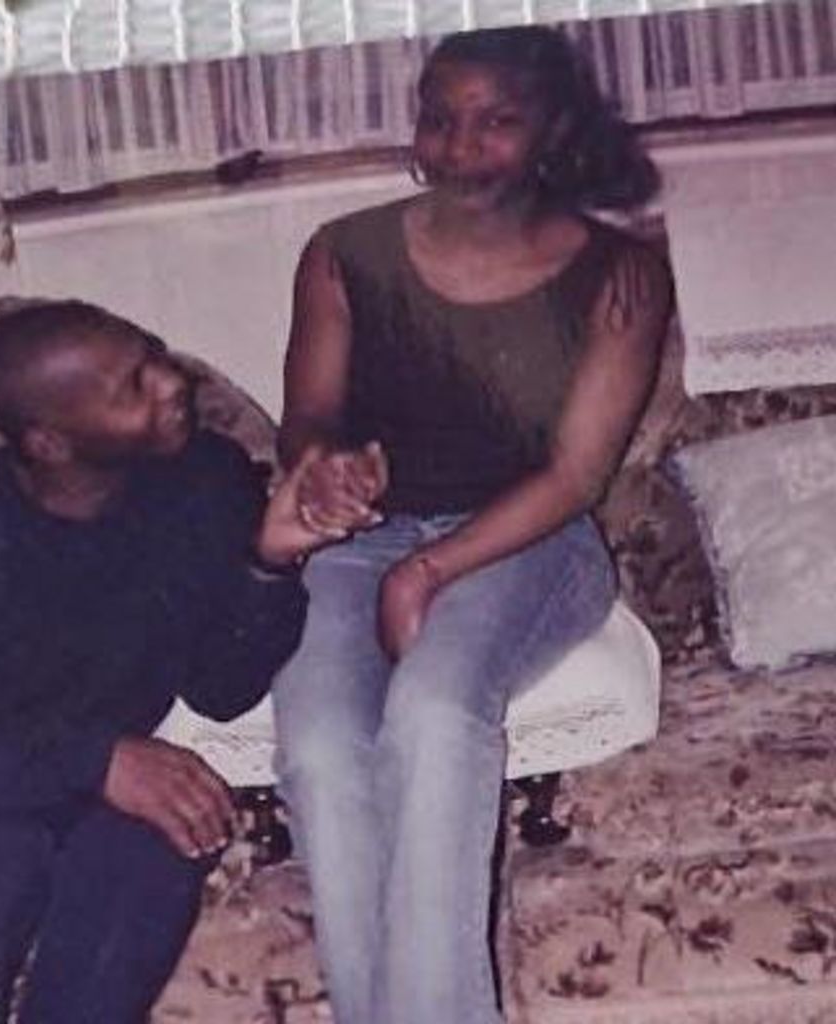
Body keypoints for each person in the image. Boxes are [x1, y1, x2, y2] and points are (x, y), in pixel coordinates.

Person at [0, 301, 374, 1024]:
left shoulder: (205, 480)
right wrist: (97, 759)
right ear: (51, 442)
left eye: (154, 355)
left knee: (157, 842)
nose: (172, 382)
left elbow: (220, 688)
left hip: (71, 788)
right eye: (133, 386)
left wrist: (269, 560)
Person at [272, 25, 675, 1024]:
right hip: (360, 541)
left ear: (549, 131)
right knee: (320, 742)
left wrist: (431, 569)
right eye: (440, 119)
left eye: (495, 122)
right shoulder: (342, 254)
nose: (458, 146)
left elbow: (577, 473)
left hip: (528, 540)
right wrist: (327, 473)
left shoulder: (619, 270)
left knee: (436, 710)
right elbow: (308, 418)